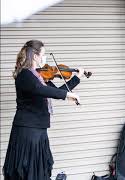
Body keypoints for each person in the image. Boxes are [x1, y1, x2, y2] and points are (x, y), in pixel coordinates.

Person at [3, 40, 83, 180]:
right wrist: (67, 95)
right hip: (27, 131)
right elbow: (40, 90)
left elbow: (55, 92)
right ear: (35, 56)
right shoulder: (25, 75)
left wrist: (76, 78)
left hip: (39, 129)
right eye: (43, 55)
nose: (44, 59)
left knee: (39, 172)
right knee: (27, 171)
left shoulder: (39, 76)